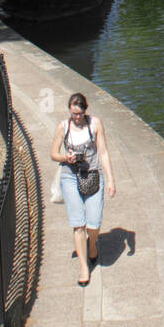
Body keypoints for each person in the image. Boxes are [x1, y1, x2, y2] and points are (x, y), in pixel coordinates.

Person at [51, 93, 116, 286]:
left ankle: (92, 245)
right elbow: (53, 153)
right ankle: (84, 268)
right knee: (78, 224)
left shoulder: (95, 124)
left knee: (93, 224)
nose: (76, 118)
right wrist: (65, 158)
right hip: (70, 176)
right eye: (73, 114)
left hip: (93, 174)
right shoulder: (63, 127)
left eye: (79, 114)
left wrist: (111, 179)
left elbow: (103, 151)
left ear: (85, 111)